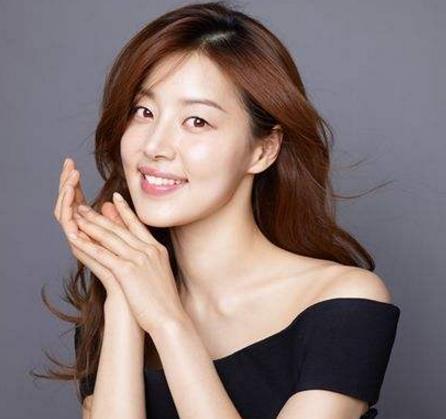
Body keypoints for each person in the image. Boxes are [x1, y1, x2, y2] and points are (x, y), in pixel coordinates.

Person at [43, 1, 401, 418]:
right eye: (144, 112)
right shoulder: (113, 307)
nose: (154, 146)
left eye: (197, 121)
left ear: (263, 150)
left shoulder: (343, 302)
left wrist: (167, 321)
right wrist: (124, 295)